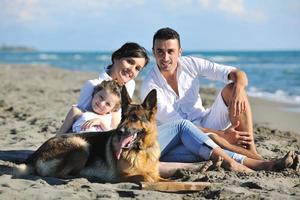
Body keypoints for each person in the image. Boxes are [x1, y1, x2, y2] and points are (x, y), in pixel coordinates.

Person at [140, 27, 261, 160]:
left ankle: (251, 150)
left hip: (206, 121)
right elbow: (183, 126)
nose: (165, 57)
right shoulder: (149, 87)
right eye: (160, 52)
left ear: (179, 52)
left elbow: (238, 73)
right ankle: (251, 158)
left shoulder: (190, 63)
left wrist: (239, 89)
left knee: (233, 89)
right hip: (181, 137)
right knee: (215, 138)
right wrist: (222, 135)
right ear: (153, 52)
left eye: (170, 51)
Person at [57, 42, 149, 134]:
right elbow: (78, 118)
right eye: (129, 62)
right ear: (117, 57)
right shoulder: (93, 85)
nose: (132, 69)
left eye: (137, 68)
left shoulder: (130, 85)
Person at [157, 119, 295, 177]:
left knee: (198, 149)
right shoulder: (149, 84)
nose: (134, 69)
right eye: (133, 64)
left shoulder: (133, 84)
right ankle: (233, 164)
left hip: (153, 150)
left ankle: (263, 165)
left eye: (138, 68)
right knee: (183, 125)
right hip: (139, 147)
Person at [58, 80, 122, 134]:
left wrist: (101, 123)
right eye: (101, 97)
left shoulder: (109, 119)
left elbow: (113, 135)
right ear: (94, 93)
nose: (101, 104)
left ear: (112, 109)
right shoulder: (77, 112)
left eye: (108, 104)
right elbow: (60, 133)